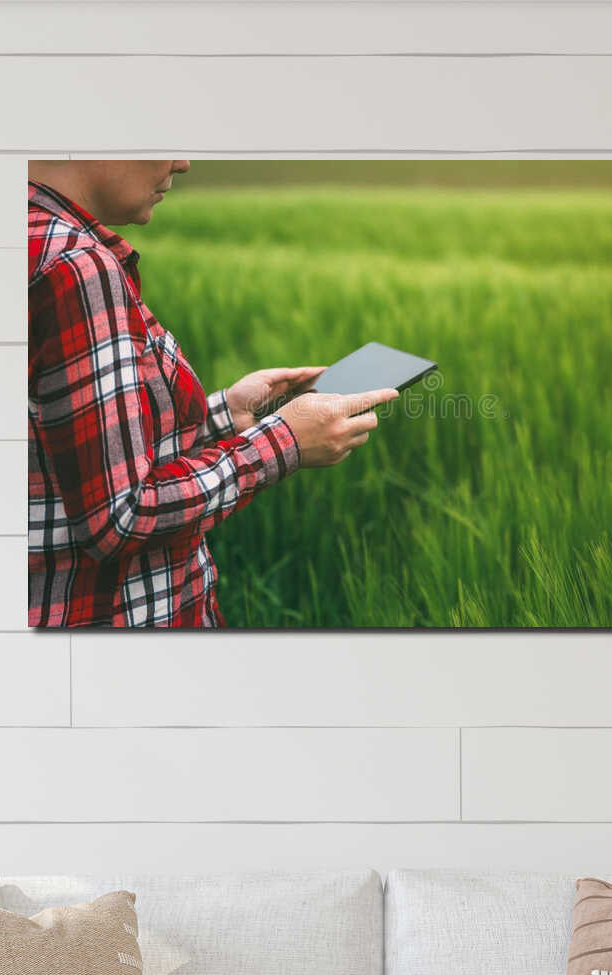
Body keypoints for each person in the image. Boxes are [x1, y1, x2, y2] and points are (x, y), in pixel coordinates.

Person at [28, 160, 395, 627]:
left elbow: (61, 461)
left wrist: (224, 416)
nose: (183, 162)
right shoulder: (74, 264)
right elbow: (121, 517)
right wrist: (283, 443)